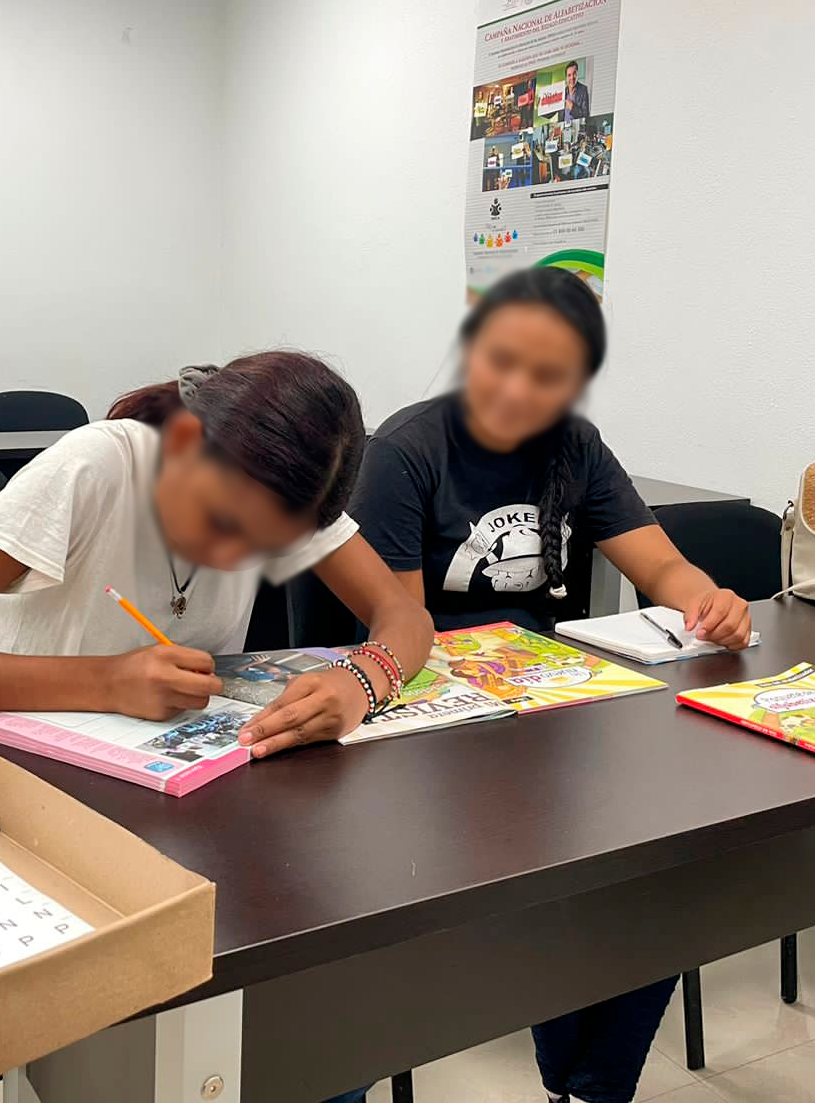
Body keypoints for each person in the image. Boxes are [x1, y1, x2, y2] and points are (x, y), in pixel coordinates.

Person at [326, 266, 751, 1103]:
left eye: (548, 375)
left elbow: (659, 564)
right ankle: (572, 1064)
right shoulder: (407, 452)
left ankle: (589, 1087)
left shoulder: (575, 448)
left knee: (661, 866)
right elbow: (399, 625)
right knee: (563, 873)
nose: (519, 390)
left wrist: (710, 602)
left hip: (547, 716)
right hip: (431, 723)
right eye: (503, 362)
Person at [0, 352, 433, 757]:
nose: (233, 556)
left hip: (166, 772)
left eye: (268, 547)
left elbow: (405, 616)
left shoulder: (291, 495)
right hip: (20, 757)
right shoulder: (94, 468)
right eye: (222, 520)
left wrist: (362, 681)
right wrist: (107, 682)